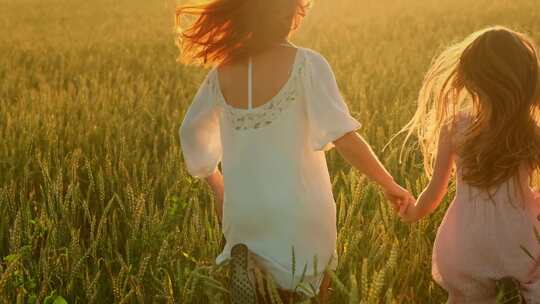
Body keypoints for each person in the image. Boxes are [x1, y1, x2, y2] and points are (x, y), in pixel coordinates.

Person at [176, 0, 413, 302]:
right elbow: (344, 137)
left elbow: (190, 132)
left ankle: (251, 279)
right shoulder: (306, 64)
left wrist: (219, 188)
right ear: (290, 15)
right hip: (300, 213)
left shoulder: (224, 71)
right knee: (311, 289)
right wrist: (390, 184)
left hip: (244, 213)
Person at [399, 26, 540, 303]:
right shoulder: (530, 132)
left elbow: (434, 190)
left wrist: (414, 212)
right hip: (517, 244)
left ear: (471, 78)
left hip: (464, 246)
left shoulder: (454, 127)